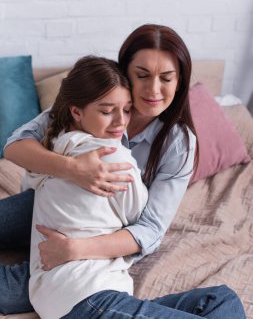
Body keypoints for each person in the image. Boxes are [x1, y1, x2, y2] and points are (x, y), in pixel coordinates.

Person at [0, 24, 246, 318]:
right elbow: (14, 146)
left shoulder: (178, 143)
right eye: (142, 75)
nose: (153, 89)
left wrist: (75, 249)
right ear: (125, 72)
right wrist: (73, 168)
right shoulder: (94, 97)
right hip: (53, 205)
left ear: (179, 82)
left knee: (223, 301)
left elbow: (150, 230)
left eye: (166, 78)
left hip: (101, 239)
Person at [28, 55, 148, 318]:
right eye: (107, 111)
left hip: (49, 292)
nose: (121, 122)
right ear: (76, 111)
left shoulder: (51, 148)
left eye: (127, 109)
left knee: (220, 300)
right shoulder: (113, 155)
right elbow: (137, 216)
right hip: (90, 291)